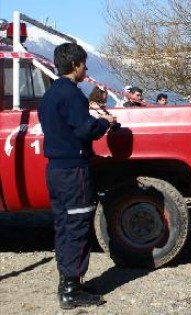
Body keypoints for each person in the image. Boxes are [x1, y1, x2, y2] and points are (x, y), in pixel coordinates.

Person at [38, 43, 116, 309]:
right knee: (78, 225)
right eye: (84, 64)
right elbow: (86, 129)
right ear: (74, 65)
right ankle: (71, 290)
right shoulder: (71, 95)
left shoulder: (50, 95)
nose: (86, 69)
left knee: (64, 225)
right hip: (73, 170)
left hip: (56, 169)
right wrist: (106, 123)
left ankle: (71, 281)